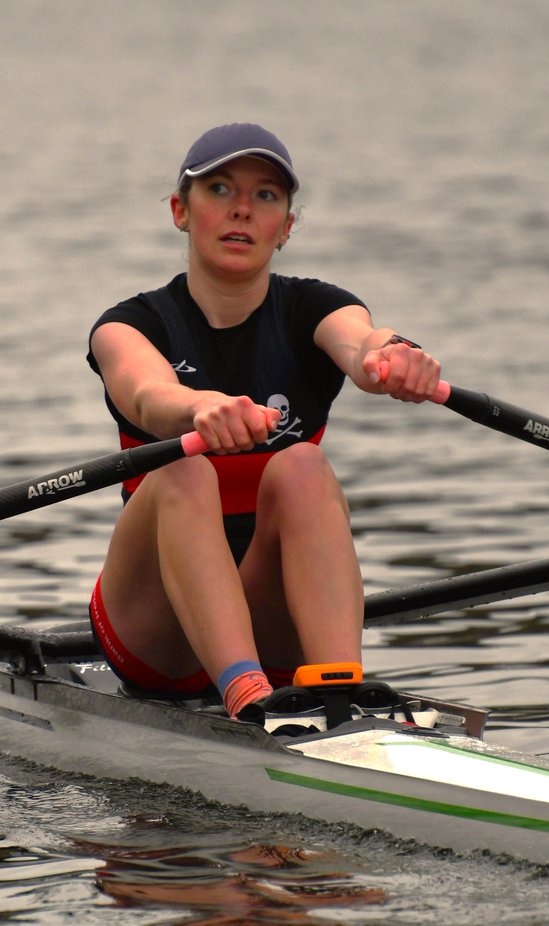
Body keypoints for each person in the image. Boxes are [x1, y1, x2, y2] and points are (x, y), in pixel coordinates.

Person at [86, 123, 440, 721]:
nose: (243, 210)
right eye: (220, 189)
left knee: (303, 462)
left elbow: (361, 342)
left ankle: (336, 689)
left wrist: (393, 355)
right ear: (181, 211)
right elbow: (146, 393)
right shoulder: (127, 325)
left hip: (269, 607)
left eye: (266, 196)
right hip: (157, 629)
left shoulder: (315, 307)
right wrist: (198, 409)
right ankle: (245, 695)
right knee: (182, 467)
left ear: (287, 228)